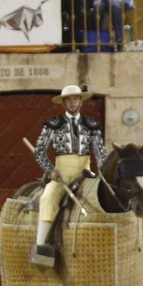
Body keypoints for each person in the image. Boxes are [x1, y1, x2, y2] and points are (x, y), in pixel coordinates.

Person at [31, 84, 107, 267]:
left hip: (85, 173)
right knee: (48, 197)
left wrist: (103, 176)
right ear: (63, 103)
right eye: (69, 99)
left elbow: (100, 154)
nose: (73, 102)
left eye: (76, 99)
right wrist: (50, 171)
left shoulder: (91, 125)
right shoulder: (53, 124)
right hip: (62, 174)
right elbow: (39, 151)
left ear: (81, 101)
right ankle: (41, 247)